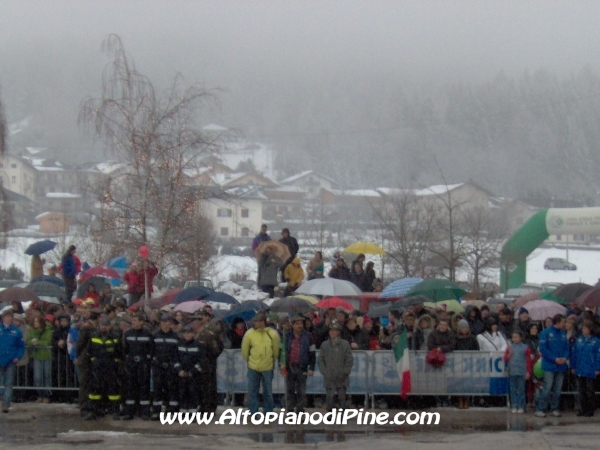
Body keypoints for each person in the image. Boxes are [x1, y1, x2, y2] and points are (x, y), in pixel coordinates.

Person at [241, 312, 280, 416]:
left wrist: (271, 361)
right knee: (252, 391)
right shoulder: (249, 334)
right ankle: (253, 412)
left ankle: (268, 412)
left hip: (267, 367)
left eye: (256, 321)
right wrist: (250, 362)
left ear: (263, 322)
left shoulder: (272, 334)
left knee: (268, 392)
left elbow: (276, 350)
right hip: (253, 367)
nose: (254, 323)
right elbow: (245, 350)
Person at [84, 318, 121, 420]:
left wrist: (114, 362)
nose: (104, 327)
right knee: (95, 389)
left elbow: (119, 352)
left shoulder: (115, 337)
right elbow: (89, 351)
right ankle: (93, 411)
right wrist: (94, 361)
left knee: (113, 389)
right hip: (97, 366)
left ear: (110, 326)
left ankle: (114, 411)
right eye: (102, 325)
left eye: (106, 325)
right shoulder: (94, 336)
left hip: (110, 366)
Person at [535, 314, 569, 418]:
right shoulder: (545, 333)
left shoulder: (563, 334)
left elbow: (567, 348)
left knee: (558, 389)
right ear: (558, 322)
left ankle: (554, 408)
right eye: (563, 321)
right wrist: (554, 359)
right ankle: (540, 408)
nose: (565, 324)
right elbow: (543, 348)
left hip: (561, 366)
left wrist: (564, 358)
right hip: (549, 365)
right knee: (547, 387)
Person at [280, 315, 315, 413]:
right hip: (290, 367)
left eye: (301, 323)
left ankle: (300, 410)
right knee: (289, 390)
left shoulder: (308, 336)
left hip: (302, 367)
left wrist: (311, 367)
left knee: (301, 391)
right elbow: (282, 352)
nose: (300, 326)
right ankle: (290, 410)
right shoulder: (286, 336)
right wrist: (282, 365)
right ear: (292, 325)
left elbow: (312, 353)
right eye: (297, 324)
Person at [122, 312, 153, 420]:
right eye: (132, 320)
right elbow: (125, 349)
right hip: (131, 364)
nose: (132, 322)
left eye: (135, 320)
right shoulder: (128, 334)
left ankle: (144, 411)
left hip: (143, 364)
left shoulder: (147, 334)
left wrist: (147, 361)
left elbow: (150, 349)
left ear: (141, 322)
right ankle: (129, 411)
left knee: (144, 387)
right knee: (130, 387)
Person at [318, 321, 353, 412]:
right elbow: (320, 359)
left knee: (342, 397)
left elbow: (349, 359)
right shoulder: (324, 345)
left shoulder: (345, 344)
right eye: (330, 331)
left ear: (338, 332)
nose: (332, 333)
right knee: (329, 397)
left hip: (342, 375)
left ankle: (341, 414)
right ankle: (330, 413)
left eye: (334, 331)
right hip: (329, 375)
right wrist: (324, 372)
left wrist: (345, 372)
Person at [151, 315, 180, 420]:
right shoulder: (155, 336)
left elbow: (177, 352)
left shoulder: (175, 337)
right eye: (162, 321)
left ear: (170, 323)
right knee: (158, 388)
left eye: (166, 321)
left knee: (171, 388)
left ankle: (172, 411)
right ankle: (157, 411)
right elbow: (151, 350)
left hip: (171, 365)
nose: (164, 323)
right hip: (158, 365)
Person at [571, 321, 600, 417]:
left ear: (590, 329)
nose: (583, 330)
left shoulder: (596, 341)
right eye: (582, 328)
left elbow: (598, 355)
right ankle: (582, 409)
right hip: (580, 368)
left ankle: (590, 409)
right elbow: (574, 354)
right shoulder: (579, 340)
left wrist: (597, 368)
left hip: (591, 369)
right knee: (581, 390)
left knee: (590, 391)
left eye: (585, 328)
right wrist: (573, 366)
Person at [197, 318, 224, 414]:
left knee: (209, 386)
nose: (199, 320)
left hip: (208, 362)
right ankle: (201, 405)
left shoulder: (213, 331)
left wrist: (210, 358)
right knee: (199, 386)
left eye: (201, 317)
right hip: (197, 362)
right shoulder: (195, 331)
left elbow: (217, 348)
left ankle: (209, 407)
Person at [0, 310, 25, 413]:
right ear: (3, 318)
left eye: (11, 317)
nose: (10, 319)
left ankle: (6, 404)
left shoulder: (16, 331)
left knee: (9, 383)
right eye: (8, 317)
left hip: (11, 360)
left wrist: (18, 356)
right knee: (1, 382)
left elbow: (21, 345)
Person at [175, 325, 203, 413]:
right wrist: (179, 370)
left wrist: (193, 371)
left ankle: (192, 412)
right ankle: (183, 412)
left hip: (193, 375)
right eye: (185, 333)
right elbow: (175, 359)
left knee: (193, 392)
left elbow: (201, 361)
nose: (187, 335)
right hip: (181, 374)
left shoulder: (198, 345)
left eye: (189, 333)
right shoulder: (179, 344)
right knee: (182, 393)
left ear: (193, 334)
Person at [27, 316, 53, 403]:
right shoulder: (31, 330)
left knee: (46, 376)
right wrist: (32, 342)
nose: (35, 323)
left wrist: (37, 342)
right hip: (37, 356)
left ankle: (46, 395)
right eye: (34, 321)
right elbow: (28, 341)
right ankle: (39, 394)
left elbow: (47, 341)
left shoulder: (48, 330)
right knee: (37, 377)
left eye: (37, 321)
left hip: (46, 356)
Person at [505, 330, 533, 414]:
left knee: (521, 389)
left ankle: (521, 406)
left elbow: (528, 360)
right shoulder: (509, 347)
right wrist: (509, 355)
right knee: (513, 390)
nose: (514, 339)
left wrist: (528, 371)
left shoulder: (525, 347)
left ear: (521, 338)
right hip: (512, 371)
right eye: (513, 337)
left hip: (522, 371)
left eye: (516, 337)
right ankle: (514, 405)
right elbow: (505, 359)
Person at [455, 319, 479, 409]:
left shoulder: (472, 338)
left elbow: (477, 349)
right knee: (459, 383)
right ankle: (460, 399)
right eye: (462, 328)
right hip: (459, 364)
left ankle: (467, 400)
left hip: (469, 364)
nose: (464, 330)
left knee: (468, 382)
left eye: (466, 328)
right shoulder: (456, 338)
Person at [52, 313, 74, 401]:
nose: (63, 322)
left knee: (68, 376)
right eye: (61, 321)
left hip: (68, 356)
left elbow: (72, 342)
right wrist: (58, 344)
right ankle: (59, 395)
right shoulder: (57, 331)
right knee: (58, 376)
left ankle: (68, 395)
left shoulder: (70, 330)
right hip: (59, 356)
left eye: (64, 320)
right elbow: (52, 342)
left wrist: (64, 344)